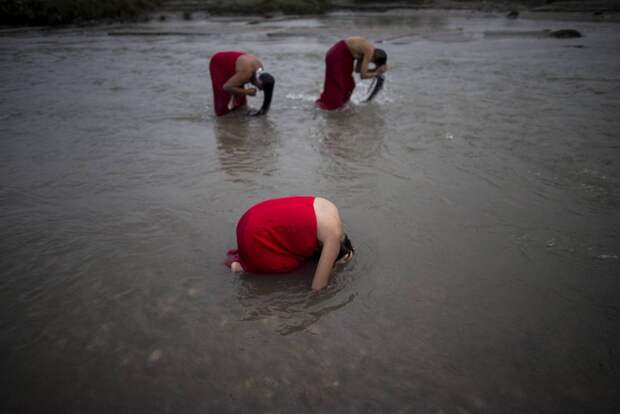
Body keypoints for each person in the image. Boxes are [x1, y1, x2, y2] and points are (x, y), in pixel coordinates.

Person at [226, 196, 354, 290]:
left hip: (249, 217)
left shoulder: (330, 207)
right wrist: (335, 267)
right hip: (254, 237)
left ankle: (248, 256)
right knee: (294, 263)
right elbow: (318, 287)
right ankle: (241, 267)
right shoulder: (333, 237)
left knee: (295, 243)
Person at [316, 36, 388, 110]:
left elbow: (358, 70)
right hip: (337, 55)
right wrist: (376, 73)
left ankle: (341, 106)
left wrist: (375, 71)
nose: (371, 62)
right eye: (374, 63)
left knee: (349, 85)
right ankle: (325, 107)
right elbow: (363, 76)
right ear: (376, 58)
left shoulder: (368, 51)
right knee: (337, 85)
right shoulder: (369, 51)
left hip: (345, 57)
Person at [209, 51, 275, 116]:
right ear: (260, 82)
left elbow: (252, 78)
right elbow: (226, 87)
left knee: (240, 102)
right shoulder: (246, 73)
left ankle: (238, 115)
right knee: (224, 100)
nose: (260, 90)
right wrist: (247, 92)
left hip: (239, 64)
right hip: (219, 62)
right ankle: (224, 120)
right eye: (261, 87)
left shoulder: (259, 70)